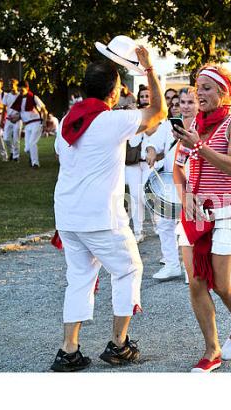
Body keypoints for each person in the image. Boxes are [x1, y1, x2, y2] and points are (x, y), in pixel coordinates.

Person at [51, 46, 166, 372]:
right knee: (128, 269)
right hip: (101, 216)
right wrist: (149, 69)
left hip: (68, 215)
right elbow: (158, 112)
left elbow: (66, 156)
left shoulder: (65, 121)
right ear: (114, 92)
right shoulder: (113, 119)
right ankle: (119, 344)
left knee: (79, 279)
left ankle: (69, 350)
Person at [172, 65, 231, 372]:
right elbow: (179, 168)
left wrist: (200, 146)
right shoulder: (191, 125)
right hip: (194, 214)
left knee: (220, 284)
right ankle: (211, 350)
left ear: (223, 92)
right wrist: (186, 197)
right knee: (195, 283)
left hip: (227, 212)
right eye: (197, 87)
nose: (199, 94)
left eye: (206, 88)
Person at [145, 87, 198, 281]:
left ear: (198, 104)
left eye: (189, 102)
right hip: (170, 181)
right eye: (181, 103)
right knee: (165, 223)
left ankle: (190, 268)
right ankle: (171, 264)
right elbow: (153, 144)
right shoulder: (169, 126)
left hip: (194, 182)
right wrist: (151, 151)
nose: (184, 107)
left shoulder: (203, 125)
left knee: (189, 225)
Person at [12, 81, 48, 168]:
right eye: (19, 89)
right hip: (27, 125)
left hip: (36, 123)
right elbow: (22, 114)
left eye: (22, 88)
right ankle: (32, 158)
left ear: (27, 88)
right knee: (27, 148)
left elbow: (44, 110)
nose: (20, 90)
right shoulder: (19, 99)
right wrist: (15, 119)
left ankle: (35, 164)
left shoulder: (33, 97)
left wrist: (44, 122)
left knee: (32, 143)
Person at [2, 78, 23, 161]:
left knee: (16, 139)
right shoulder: (6, 96)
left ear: (16, 85)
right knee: (6, 138)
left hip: (17, 119)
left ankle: (16, 156)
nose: (11, 85)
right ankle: (12, 151)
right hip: (8, 119)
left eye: (12, 84)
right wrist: (2, 120)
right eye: (10, 84)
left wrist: (19, 116)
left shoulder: (20, 96)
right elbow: (4, 109)